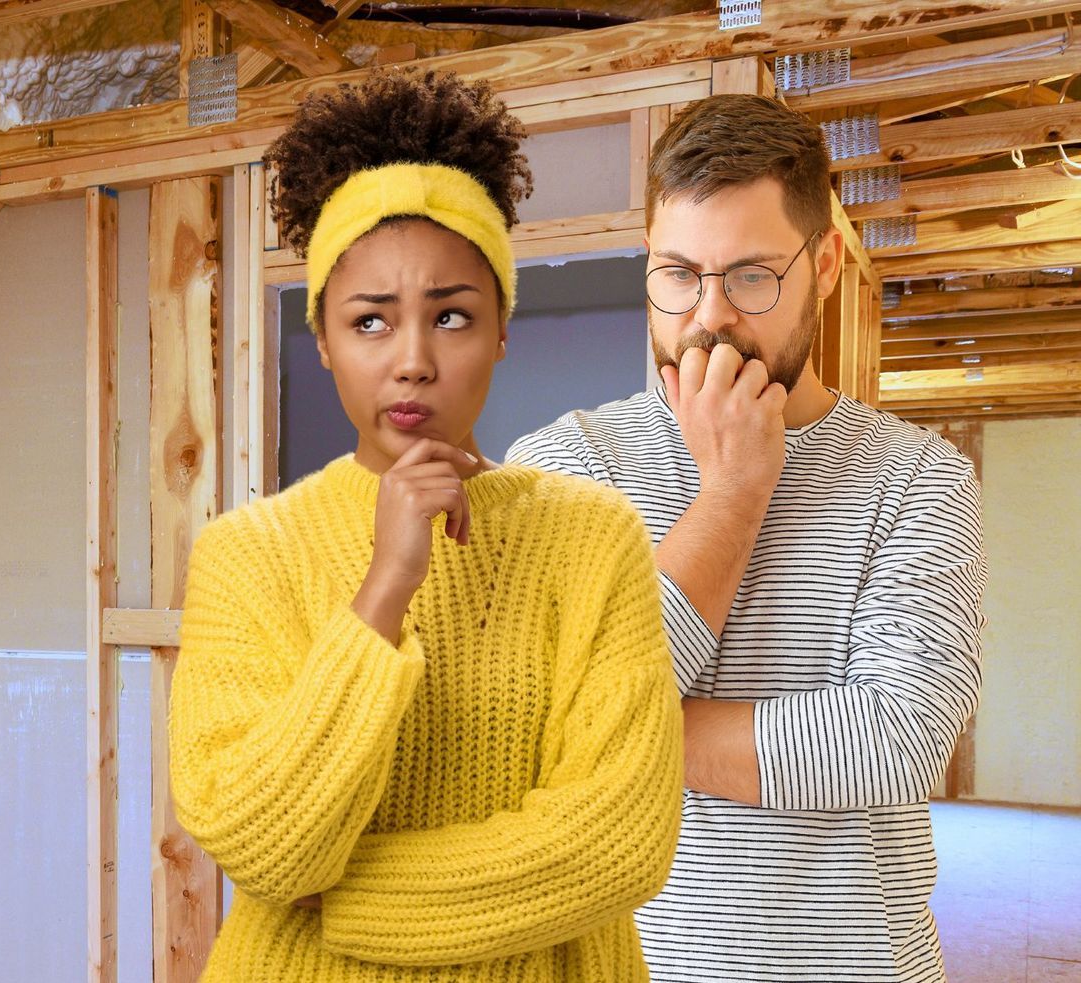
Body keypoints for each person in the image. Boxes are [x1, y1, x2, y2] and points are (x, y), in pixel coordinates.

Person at [166, 70, 685, 983]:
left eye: (451, 316)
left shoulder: (594, 539)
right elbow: (259, 842)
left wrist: (350, 901)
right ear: (324, 338)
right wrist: (383, 588)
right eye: (370, 321)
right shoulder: (246, 554)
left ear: (500, 330)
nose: (412, 361)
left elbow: (618, 842)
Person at [506, 93, 986, 982]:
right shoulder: (564, 463)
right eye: (678, 273)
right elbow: (529, 725)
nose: (708, 316)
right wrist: (733, 492)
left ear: (827, 265)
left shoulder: (920, 475)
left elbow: (899, 737)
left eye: (752, 276)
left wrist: (615, 725)